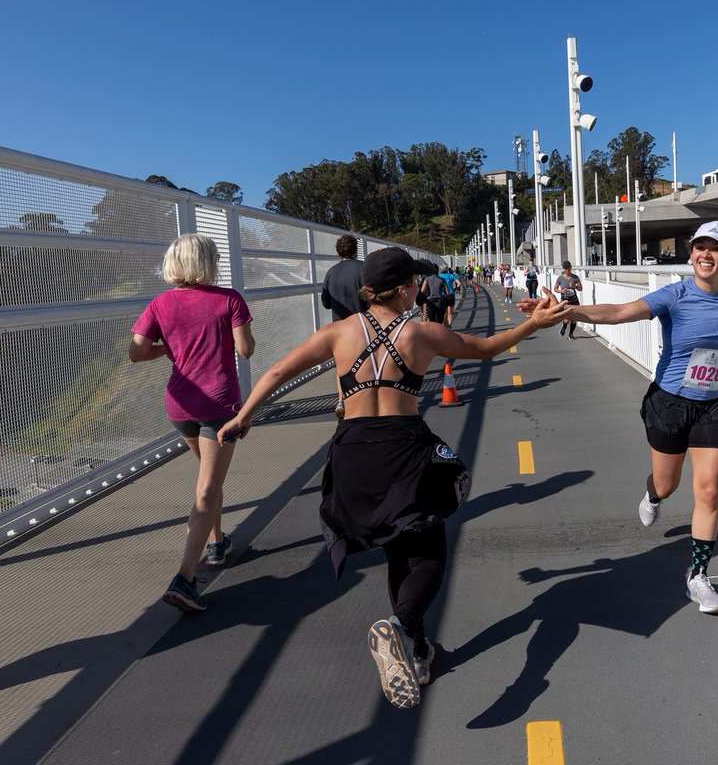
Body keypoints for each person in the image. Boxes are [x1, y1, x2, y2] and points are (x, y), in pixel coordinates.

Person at [217, 247, 569, 708]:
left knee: (395, 548)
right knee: (427, 554)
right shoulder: (423, 334)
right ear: (404, 288)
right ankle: (400, 627)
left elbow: (280, 370)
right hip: (402, 447)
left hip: (353, 452)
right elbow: (485, 349)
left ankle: (417, 650)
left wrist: (243, 417)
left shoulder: (339, 332)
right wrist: (532, 325)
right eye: (415, 283)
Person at [543, 221, 718, 614]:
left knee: (708, 492)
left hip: (716, 404)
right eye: (700, 247)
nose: (706, 254)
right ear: (691, 254)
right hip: (670, 402)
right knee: (668, 485)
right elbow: (618, 311)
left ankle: (698, 578)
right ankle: (653, 495)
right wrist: (571, 311)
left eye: (716, 249)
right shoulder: (676, 294)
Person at [129, 234, 255, 612]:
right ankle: (185, 578)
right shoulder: (229, 299)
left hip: (180, 407)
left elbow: (136, 353)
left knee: (208, 479)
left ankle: (217, 542)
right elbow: (245, 349)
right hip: (219, 404)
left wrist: (174, 345)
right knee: (207, 488)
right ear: (209, 262)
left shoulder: (160, 303)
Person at [321, 234, 366, 418]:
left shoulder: (331, 273)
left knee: (342, 365)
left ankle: (341, 400)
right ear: (356, 250)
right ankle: (363, 400)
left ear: (339, 252)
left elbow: (326, 302)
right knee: (365, 364)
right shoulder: (364, 269)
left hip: (340, 328)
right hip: (364, 326)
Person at [553, 261, 583, 340]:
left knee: (574, 318)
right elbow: (555, 289)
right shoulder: (560, 278)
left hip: (574, 300)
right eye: (566, 268)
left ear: (571, 267)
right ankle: (564, 325)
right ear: (563, 269)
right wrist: (561, 291)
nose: (567, 269)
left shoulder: (575, 277)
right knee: (567, 317)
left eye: (569, 267)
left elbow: (581, 288)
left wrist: (575, 286)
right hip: (565, 301)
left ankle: (571, 334)